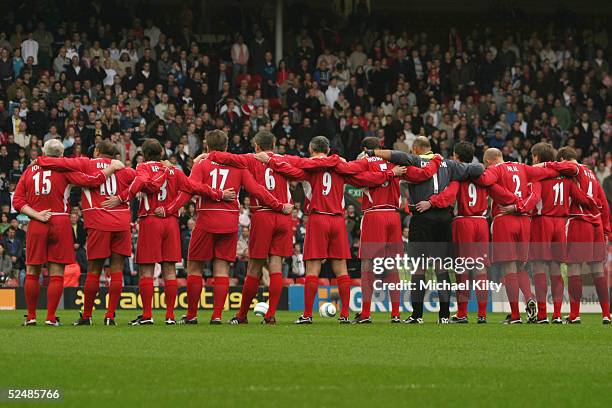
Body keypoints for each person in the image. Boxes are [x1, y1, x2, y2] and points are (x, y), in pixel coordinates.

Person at [256, 136, 407, 324]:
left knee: (313, 267)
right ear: (328, 150)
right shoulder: (342, 167)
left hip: (318, 218)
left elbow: (289, 169)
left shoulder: (308, 167)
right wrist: (390, 173)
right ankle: (345, 315)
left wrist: (271, 160)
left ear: (311, 150)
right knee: (342, 268)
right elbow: (364, 178)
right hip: (338, 220)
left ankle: (307, 315)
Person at [158, 130, 291, 325]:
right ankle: (217, 316)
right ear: (227, 147)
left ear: (207, 146)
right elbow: (256, 190)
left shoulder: (201, 164)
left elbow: (189, 189)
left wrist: (171, 209)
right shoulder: (238, 166)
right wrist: (279, 205)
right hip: (229, 222)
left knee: (194, 267)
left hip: (206, 220)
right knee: (222, 269)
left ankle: (192, 315)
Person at [109, 139, 232, 325]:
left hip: (151, 219)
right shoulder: (175, 170)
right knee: (169, 269)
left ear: (145, 154)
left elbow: (142, 182)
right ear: (161, 153)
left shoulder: (143, 167)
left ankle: (148, 315)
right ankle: (170, 316)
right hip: (171, 222)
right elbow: (193, 187)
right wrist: (219, 194)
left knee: (147, 270)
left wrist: (122, 198)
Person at [372, 136, 486, 324]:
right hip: (443, 219)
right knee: (442, 269)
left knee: (419, 270)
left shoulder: (414, 161)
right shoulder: (449, 164)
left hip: (422, 218)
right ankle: (444, 316)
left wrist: (372, 152)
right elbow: (478, 168)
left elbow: (395, 155)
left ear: (416, 149)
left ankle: (417, 315)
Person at [12, 139, 122, 326]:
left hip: (37, 222)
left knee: (32, 270)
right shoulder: (64, 170)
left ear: (43, 152)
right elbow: (92, 181)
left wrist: (36, 214)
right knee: (57, 272)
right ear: (61, 155)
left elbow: (17, 201)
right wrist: (110, 169)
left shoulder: (30, 170)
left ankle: (31, 317)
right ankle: (50, 317)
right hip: (60, 220)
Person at [202, 130, 304, 325]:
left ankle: (241, 315)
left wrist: (209, 154)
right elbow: (301, 171)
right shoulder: (284, 160)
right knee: (276, 265)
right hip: (284, 216)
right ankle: (271, 315)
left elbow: (226, 157)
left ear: (257, 146)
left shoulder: (250, 159)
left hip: (263, 214)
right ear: (273, 145)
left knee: (254, 266)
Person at [35, 140, 137, 326]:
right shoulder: (123, 169)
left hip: (99, 222)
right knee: (117, 271)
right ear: (114, 155)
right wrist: (123, 197)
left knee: (93, 271)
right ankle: (110, 316)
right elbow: (141, 180)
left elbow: (61, 162)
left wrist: (39, 160)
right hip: (122, 223)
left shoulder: (87, 163)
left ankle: (87, 316)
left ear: (97, 151)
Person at [422, 141, 525, 323]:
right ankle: (482, 314)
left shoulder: (458, 176)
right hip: (482, 224)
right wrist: (517, 202)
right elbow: (497, 191)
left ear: (456, 157)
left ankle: (462, 314)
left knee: (463, 269)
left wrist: (431, 202)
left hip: (464, 222)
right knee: (480, 269)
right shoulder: (484, 175)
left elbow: (448, 196)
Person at [474, 147, 579, 324]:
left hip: (508, 218)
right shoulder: (524, 168)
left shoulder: (496, 169)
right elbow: (552, 175)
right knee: (524, 266)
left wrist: (470, 171)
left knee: (510, 267)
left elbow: (485, 181)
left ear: (488, 161)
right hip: (529, 222)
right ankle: (542, 305)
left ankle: (516, 314)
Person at [524, 143, 597, 324]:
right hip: (560, 225)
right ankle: (557, 314)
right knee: (556, 268)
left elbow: (533, 200)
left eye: (534, 156)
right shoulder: (567, 178)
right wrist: (595, 203)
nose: (533, 159)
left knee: (538, 267)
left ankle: (542, 315)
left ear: (538, 157)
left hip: (542, 222)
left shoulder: (538, 177)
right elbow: (581, 198)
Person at [555, 146, 611, 324]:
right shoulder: (591, 173)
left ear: (563, 158)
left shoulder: (574, 169)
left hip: (579, 223)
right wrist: (606, 230)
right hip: (596, 225)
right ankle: (606, 314)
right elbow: (603, 203)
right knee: (597, 270)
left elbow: (567, 169)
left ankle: (574, 314)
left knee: (574, 268)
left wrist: (546, 164)